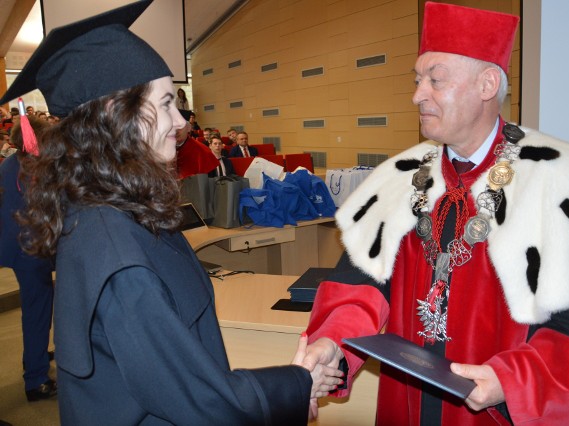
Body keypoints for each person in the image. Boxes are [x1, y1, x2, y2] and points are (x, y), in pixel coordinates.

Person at [0, 1, 342, 424]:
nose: (179, 122)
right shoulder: (115, 249)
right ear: (115, 114)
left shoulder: (110, 210)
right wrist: (298, 384)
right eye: (165, 104)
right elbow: (200, 402)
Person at [301, 3, 569, 425]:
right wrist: (333, 343)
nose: (417, 95)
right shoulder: (401, 179)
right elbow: (364, 284)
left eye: (435, 80)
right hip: (410, 400)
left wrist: (509, 381)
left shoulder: (565, 184)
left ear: (487, 84)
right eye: (417, 79)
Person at [0, 116, 56, 402]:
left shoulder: (11, 163)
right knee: (37, 311)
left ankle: (33, 356)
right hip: (30, 250)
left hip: (18, 245)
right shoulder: (32, 169)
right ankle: (35, 379)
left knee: (36, 308)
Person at [175, 112, 219, 179]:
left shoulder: (203, 151)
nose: (175, 130)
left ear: (188, 128)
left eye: (180, 126)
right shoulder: (158, 149)